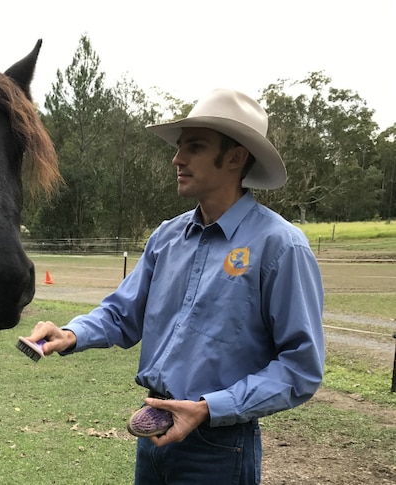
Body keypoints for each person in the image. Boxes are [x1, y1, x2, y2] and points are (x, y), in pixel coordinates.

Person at [25, 89, 325, 484]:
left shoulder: (280, 248)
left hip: (219, 448)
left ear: (235, 158)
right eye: (180, 147)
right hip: (153, 436)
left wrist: (209, 408)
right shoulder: (167, 238)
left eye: (194, 147)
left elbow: (301, 367)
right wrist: (70, 333)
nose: (177, 159)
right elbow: (122, 313)